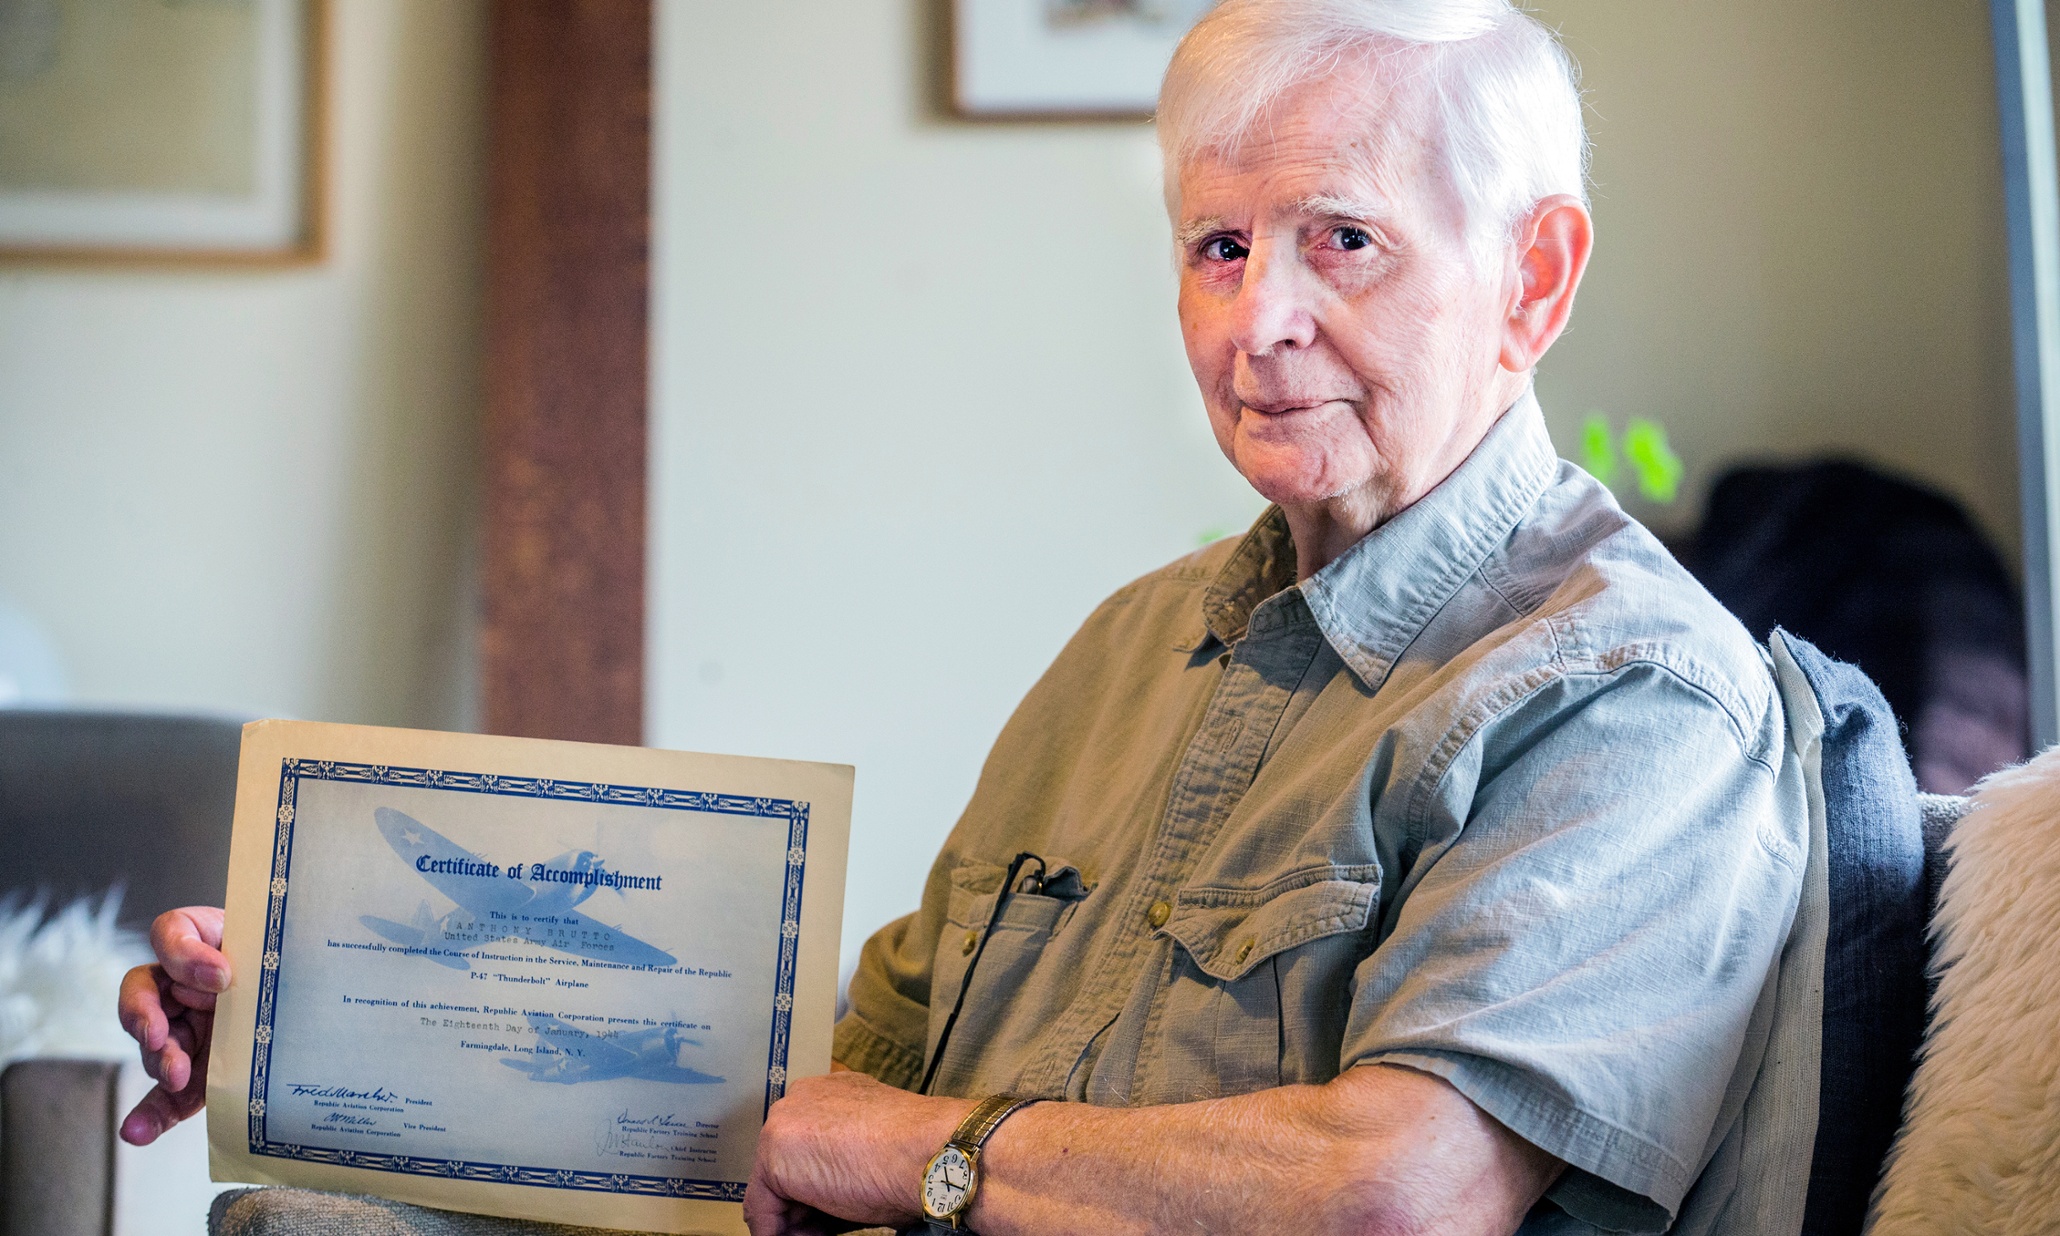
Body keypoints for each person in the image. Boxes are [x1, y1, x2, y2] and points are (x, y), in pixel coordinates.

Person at [119, 2, 1806, 1232]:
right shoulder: (1133, 650)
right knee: (294, 1217)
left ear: (1534, 278)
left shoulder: (1631, 695)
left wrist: (940, 1159)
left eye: (1342, 241)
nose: (1259, 320)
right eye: (1217, 247)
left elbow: (1405, 1194)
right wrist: (328, 1022)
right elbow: (815, 1096)